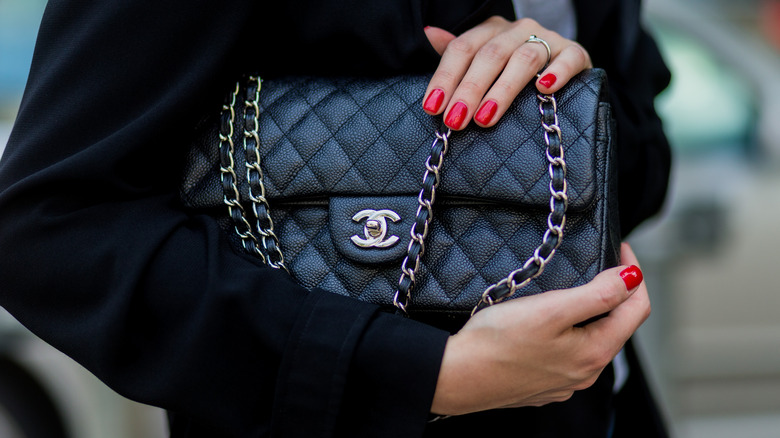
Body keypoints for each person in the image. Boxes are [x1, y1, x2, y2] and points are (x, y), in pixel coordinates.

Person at [0, 0, 671, 437]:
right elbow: (51, 225)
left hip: (604, 409)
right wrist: (419, 373)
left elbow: (644, 155)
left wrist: (571, 104)